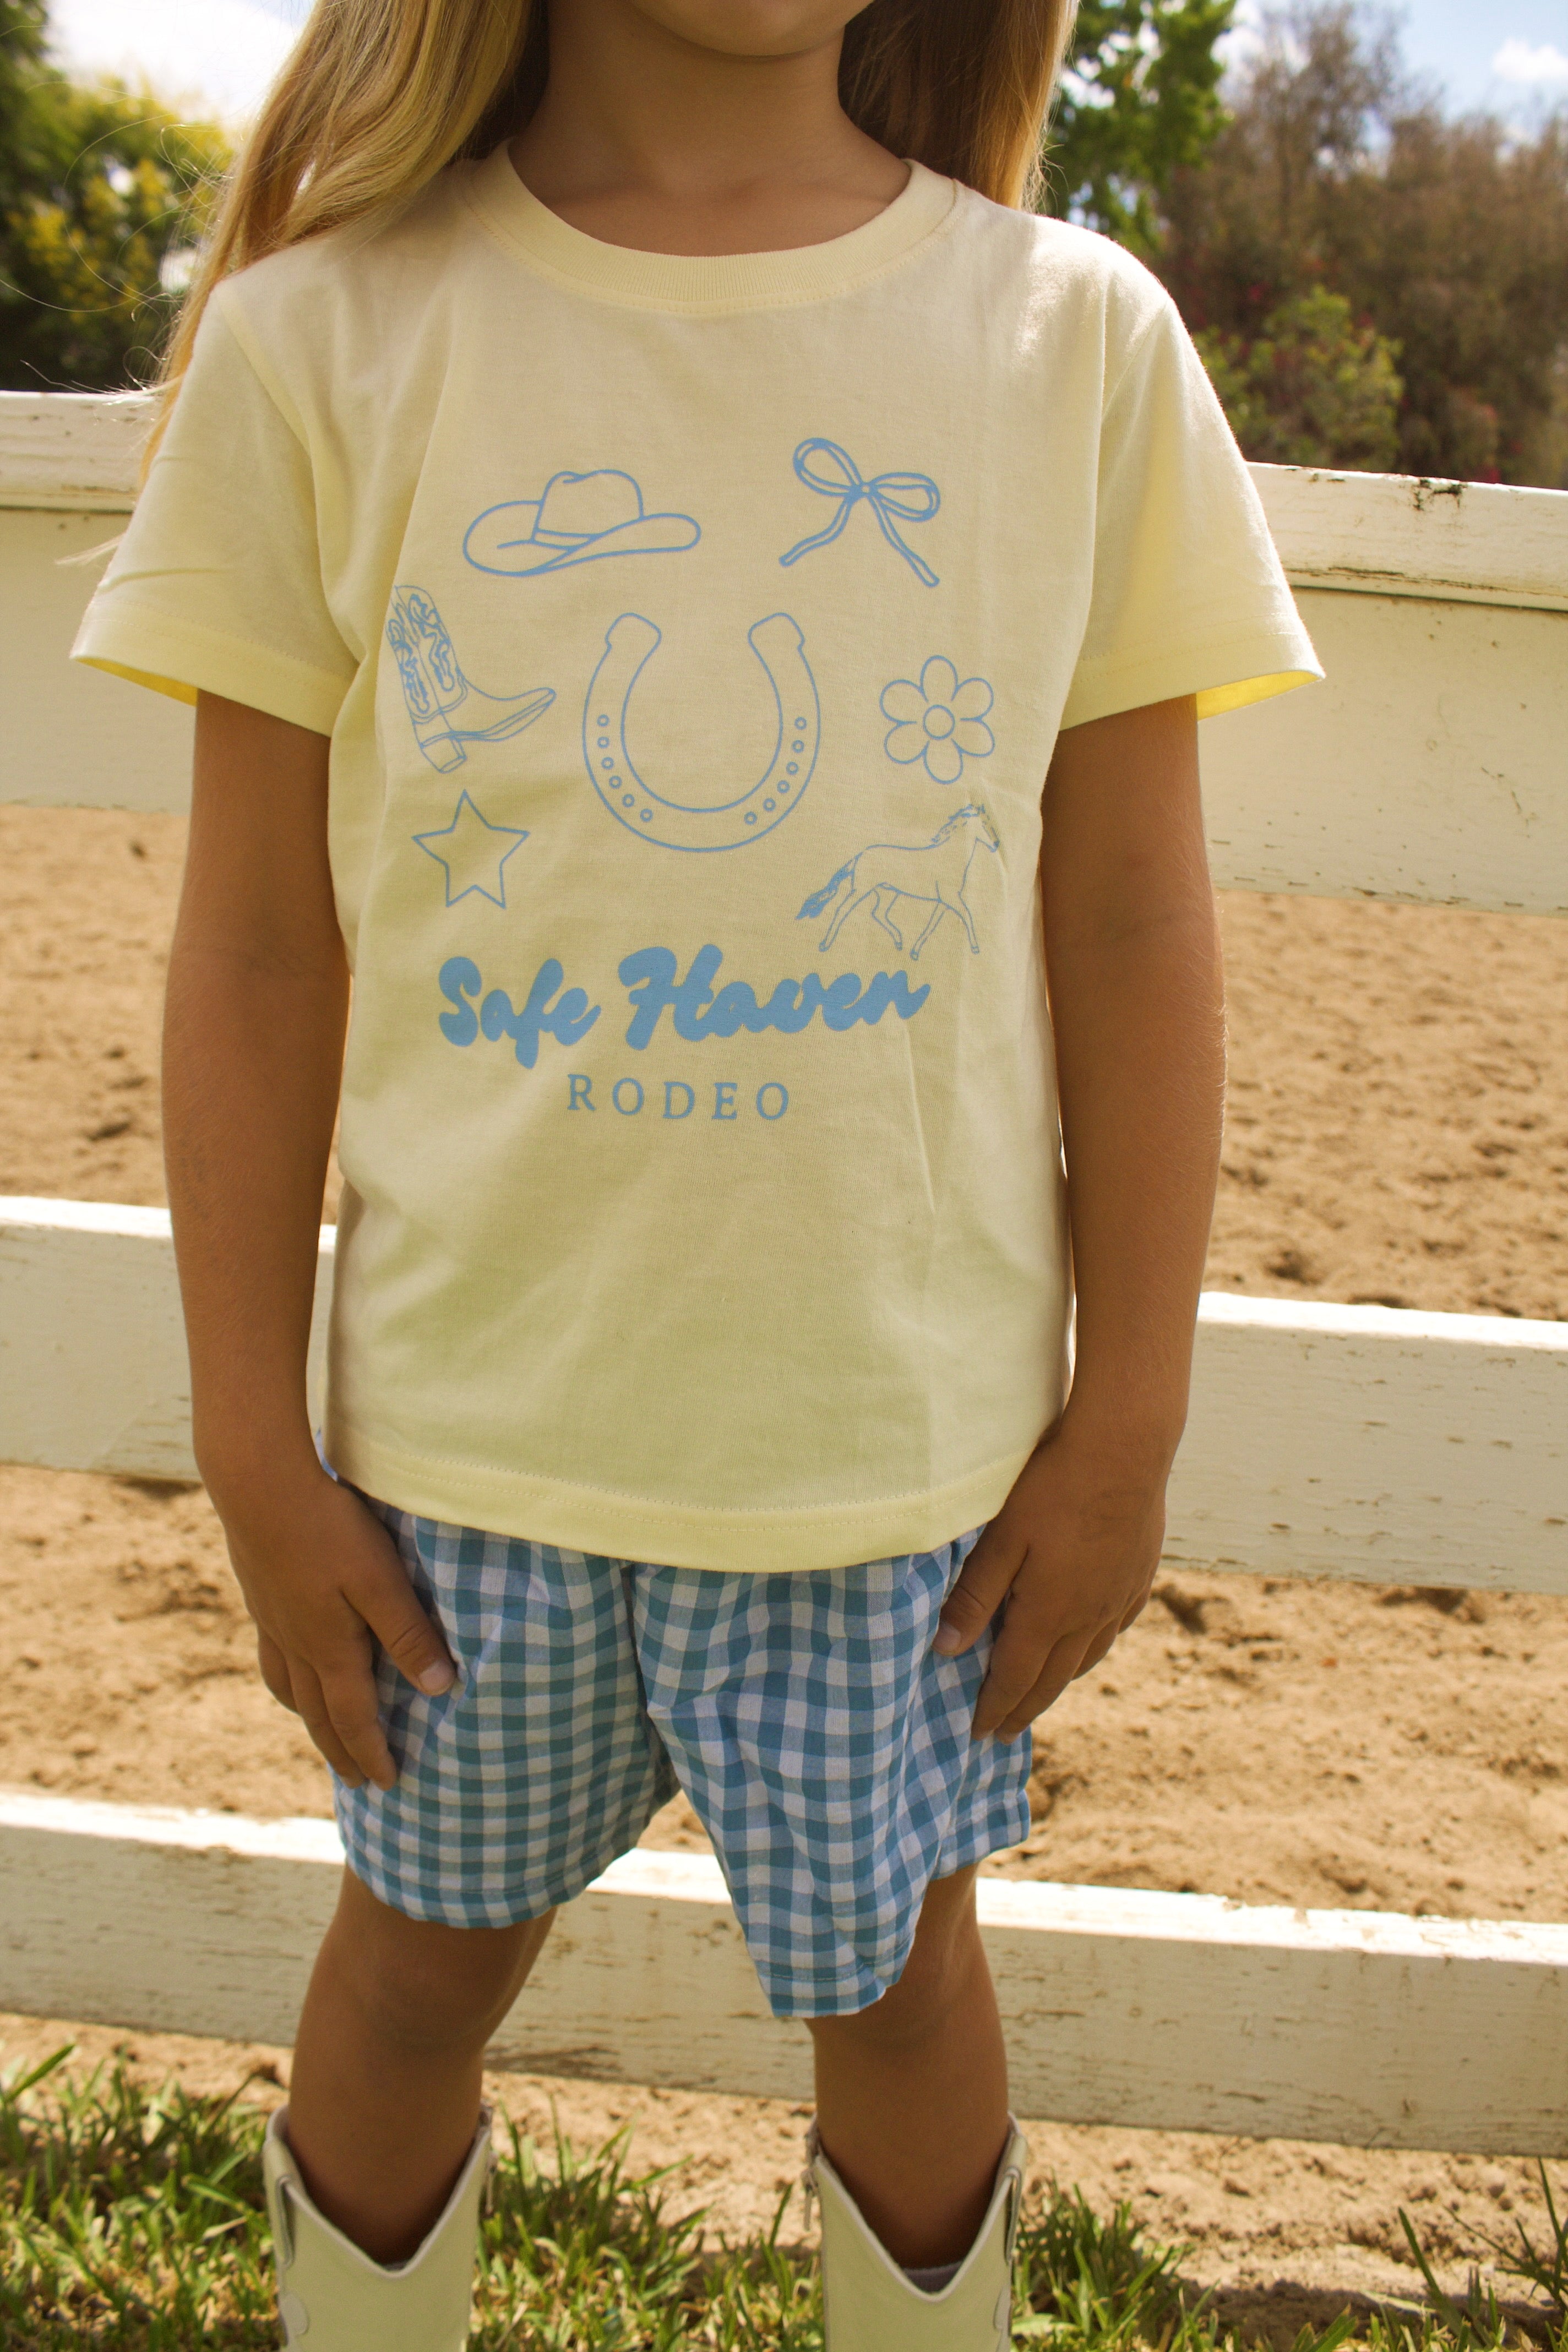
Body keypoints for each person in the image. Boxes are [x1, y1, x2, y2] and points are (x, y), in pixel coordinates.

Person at [74, 1, 1320, 2343]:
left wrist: (1131, 1410)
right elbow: (250, 950)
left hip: (891, 1468)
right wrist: (251, 1440)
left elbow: (1139, 919)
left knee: (915, 2004)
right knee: (414, 1973)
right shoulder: (324, 337)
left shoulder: (1071, 342)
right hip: (460, 1460)